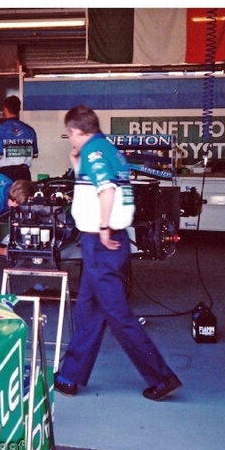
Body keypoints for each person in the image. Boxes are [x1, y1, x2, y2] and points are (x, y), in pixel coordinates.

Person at [55, 105, 181, 402]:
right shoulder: (107, 149)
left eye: (69, 134)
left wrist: (102, 228)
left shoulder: (93, 152)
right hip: (108, 242)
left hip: (102, 243)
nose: (70, 139)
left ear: (76, 130)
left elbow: (107, 190)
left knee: (119, 315)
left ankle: (162, 378)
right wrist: (75, 162)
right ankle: (69, 376)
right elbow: (93, 185)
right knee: (87, 309)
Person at [0, 95, 39, 182]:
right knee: (24, 195)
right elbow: (35, 154)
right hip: (24, 174)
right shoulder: (30, 130)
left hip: (5, 174)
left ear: (5, 109)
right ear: (19, 110)